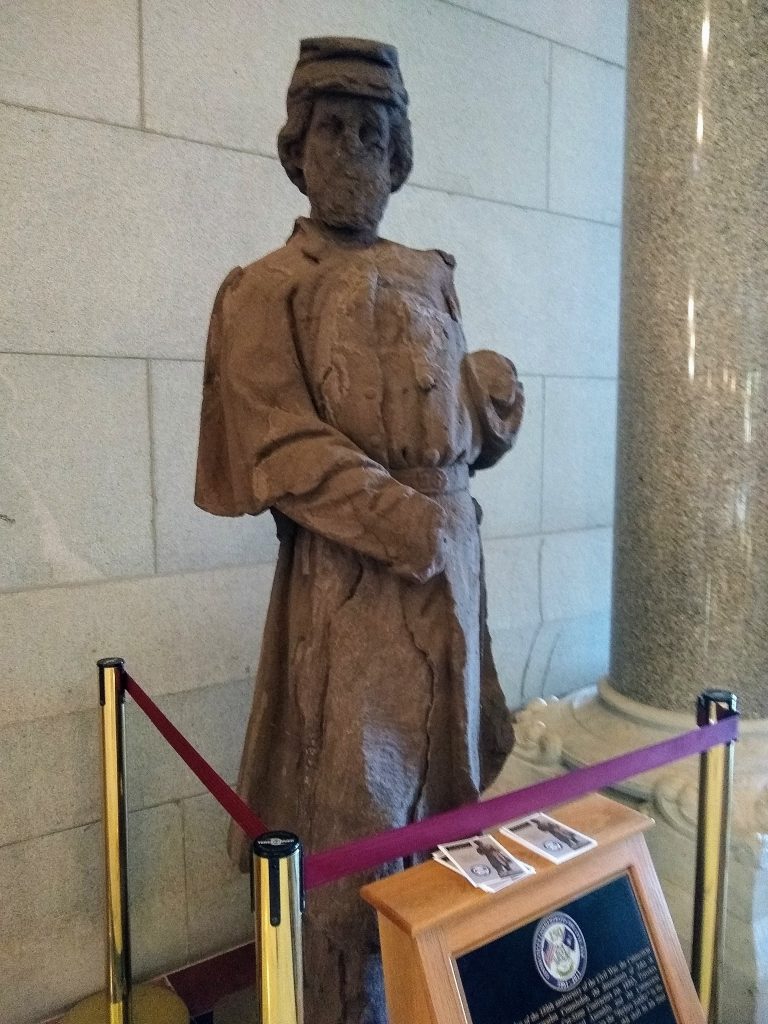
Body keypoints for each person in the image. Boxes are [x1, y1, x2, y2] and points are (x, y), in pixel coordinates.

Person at [195, 37, 525, 1024]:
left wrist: (490, 404)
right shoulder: (264, 287)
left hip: (450, 586)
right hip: (349, 599)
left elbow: (447, 436)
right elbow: (281, 443)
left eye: (373, 133)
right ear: (298, 147)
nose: (353, 152)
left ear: (399, 153)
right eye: (332, 129)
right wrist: (404, 521)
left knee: (451, 813)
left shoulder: (431, 272)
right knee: (355, 823)